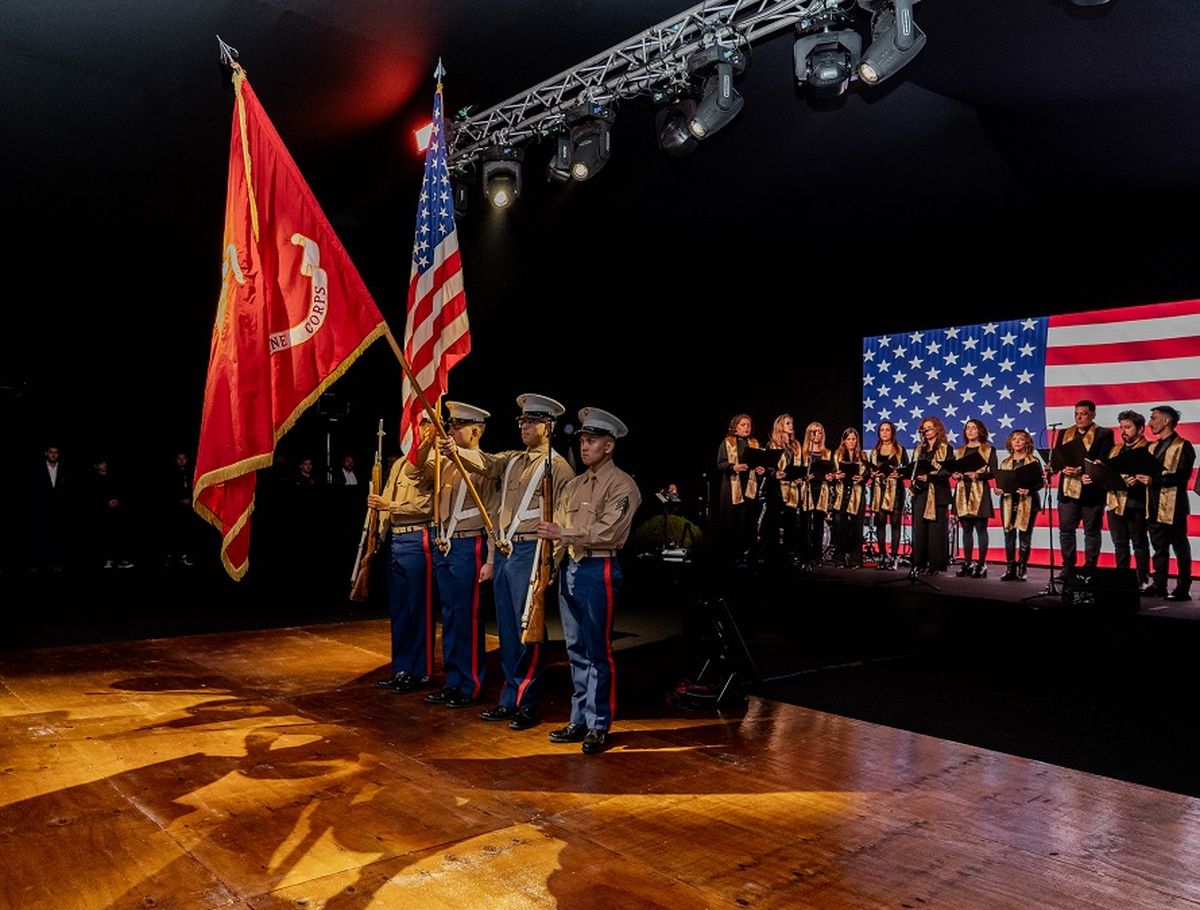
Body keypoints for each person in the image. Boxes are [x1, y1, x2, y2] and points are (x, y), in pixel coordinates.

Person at [450, 394, 575, 731]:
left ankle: (527, 701)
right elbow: (486, 464)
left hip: (531, 552)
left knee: (527, 629)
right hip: (507, 552)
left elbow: (561, 517)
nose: (524, 426)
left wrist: (551, 562)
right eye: (521, 421)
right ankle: (510, 698)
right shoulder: (513, 460)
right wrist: (458, 451)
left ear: (548, 426)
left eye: (531, 421)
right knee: (507, 631)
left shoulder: (558, 466)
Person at [537, 407, 641, 755]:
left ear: (609, 446)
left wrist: (563, 533)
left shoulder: (623, 484)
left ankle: (599, 723)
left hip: (600, 570)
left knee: (598, 651)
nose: (584, 447)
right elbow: (557, 527)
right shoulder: (575, 484)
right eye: (582, 440)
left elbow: (609, 532)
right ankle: (578, 718)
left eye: (592, 441)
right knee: (575, 650)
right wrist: (550, 567)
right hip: (572, 568)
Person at [424, 402, 496, 709]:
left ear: (475, 431)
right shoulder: (447, 463)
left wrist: (491, 558)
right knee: (451, 617)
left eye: (457, 426)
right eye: (450, 425)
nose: (450, 430)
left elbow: (492, 512)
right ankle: (453, 680)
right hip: (446, 544)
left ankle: (470, 683)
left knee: (468, 617)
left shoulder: (484, 463)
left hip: (469, 545)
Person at [368, 416, 438, 693]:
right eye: (414, 424)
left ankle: (420, 671)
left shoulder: (433, 462)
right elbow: (383, 505)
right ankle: (402, 667)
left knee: (418, 608)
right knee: (399, 611)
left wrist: (390, 504)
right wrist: (376, 540)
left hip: (417, 537)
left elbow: (427, 507)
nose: (416, 429)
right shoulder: (399, 463)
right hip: (396, 539)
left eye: (422, 424)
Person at [1051, 399, 1114, 579]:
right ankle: (1068, 567)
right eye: (1077, 414)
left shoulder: (1103, 434)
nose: (1079, 417)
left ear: (1093, 414)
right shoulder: (1064, 433)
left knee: (1091, 531)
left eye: (1084, 414)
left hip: (1091, 490)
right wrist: (1062, 468)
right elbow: (1058, 459)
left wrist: (1081, 469)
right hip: (1068, 491)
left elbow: (1104, 460)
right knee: (1066, 531)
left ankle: (1089, 569)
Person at [1141, 405, 1194, 600]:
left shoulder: (1183, 445)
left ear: (1166, 421)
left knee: (1180, 546)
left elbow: (1182, 476)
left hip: (1174, 506)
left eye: (1154, 418)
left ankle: (1183, 587)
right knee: (1159, 547)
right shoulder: (1152, 446)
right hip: (1153, 504)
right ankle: (1159, 584)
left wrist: (1154, 480)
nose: (1150, 423)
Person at [1105, 410, 1151, 588]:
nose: (1124, 431)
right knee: (1120, 543)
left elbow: (1153, 473)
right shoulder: (1116, 449)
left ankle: (1142, 579)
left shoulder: (1148, 448)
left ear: (1140, 429)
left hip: (1136, 501)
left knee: (1139, 542)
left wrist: (1140, 477)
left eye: (1128, 427)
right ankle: (1122, 577)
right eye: (1122, 427)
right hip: (1116, 501)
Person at [714, 414, 762, 566]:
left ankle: (747, 555)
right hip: (732, 488)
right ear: (735, 427)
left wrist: (762, 469)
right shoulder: (727, 442)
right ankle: (730, 556)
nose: (746, 427)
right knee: (732, 521)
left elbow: (760, 463)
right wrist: (733, 466)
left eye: (748, 425)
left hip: (749, 487)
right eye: (743, 425)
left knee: (747, 522)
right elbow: (720, 464)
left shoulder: (754, 443)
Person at [951, 419, 998, 578]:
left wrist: (978, 475)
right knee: (966, 530)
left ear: (980, 431)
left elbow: (994, 472)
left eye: (974, 428)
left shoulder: (988, 449)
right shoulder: (960, 450)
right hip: (963, 490)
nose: (970, 431)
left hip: (979, 491)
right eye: (967, 428)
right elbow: (956, 469)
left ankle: (981, 564)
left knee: (980, 528)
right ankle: (968, 562)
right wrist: (955, 474)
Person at [997, 429, 1043, 581]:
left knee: (1024, 535)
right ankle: (1010, 567)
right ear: (1010, 442)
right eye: (1014, 439)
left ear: (1027, 442)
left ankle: (1022, 568)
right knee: (1008, 535)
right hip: (1008, 501)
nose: (1017, 441)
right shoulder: (1005, 462)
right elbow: (1001, 483)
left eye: (1021, 439)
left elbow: (1040, 483)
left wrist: (1029, 489)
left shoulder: (1034, 460)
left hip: (1028, 501)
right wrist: (999, 489)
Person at [910, 416, 952, 574]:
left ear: (937, 429)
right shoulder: (919, 449)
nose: (926, 431)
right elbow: (914, 468)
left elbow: (948, 470)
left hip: (938, 492)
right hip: (921, 492)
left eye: (929, 428)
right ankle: (919, 562)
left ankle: (935, 564)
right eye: (924, 428)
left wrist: (930, 477)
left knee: (936, 530)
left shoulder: (946, 448)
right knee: (920, 529)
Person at [758, 414, 801, 567]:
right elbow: (766, 467)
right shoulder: (771, 445)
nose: (791, 426)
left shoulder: (795, 446)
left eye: (792, 423)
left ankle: (787, 556)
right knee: (773, 525)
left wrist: (799, 476)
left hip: (792, 490)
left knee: (790, 525)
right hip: (775, 490)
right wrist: (774, 473)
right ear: (780, 426)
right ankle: (772, 558)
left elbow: (797, 466)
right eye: (788, 423)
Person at [868, 420, 908, 569]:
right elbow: (868, 471)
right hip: (878, 490)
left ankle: (895, 557)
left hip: (895, 490)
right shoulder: (874, 452)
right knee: (880, 523)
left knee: (896, 524)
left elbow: (907, 471)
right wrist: (872, 473)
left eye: (887, 430)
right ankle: (883, 556)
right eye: (882, 430)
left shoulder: (900, 450)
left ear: (892, 433)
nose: (884, 433)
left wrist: (899, 474)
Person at [798, 421, 833, 570]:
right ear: (808, 434)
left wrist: (830, 477)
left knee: (819, 522)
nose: (817, 434)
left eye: (819, 432)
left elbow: (830, 471)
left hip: (822, 488)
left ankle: (817, 555)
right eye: (814, 432)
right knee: (805, 522)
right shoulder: (802, 452)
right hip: (807, 488)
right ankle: (804, 555)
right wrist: (804, 476)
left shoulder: (827, 452)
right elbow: (799, 471)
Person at [830, 428, 867, 568]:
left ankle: (856, 559)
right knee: (841, 527)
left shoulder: (862, 455)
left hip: (858, 493)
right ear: (844, 441)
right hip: (842, 493)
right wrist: (836, 476)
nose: (851, 442)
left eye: (854, 439)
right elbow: (832, 473)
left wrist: (862, 478)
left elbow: (868, 473)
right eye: (849, 439)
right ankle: (839, 558)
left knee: (857, 528)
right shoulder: (837, 455)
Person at [89, 456, 134, 569]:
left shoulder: (114, 477)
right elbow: (91, 497)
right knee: (104, 537)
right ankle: (106, 560)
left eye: (105, 463)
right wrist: (105, 503)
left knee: (119, 536)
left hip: (116, 512)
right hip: (101, 514)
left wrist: (118, 500)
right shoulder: (92, 479)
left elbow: (123, 491)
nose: (104, 465)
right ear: (96, 466)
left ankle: (119, 560)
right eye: (101, 463)